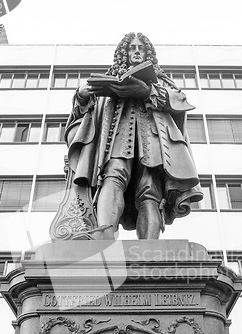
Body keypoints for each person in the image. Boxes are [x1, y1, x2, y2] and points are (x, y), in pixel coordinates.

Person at [66, 32, 202, 240]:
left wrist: (147, 91)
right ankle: (104, 234)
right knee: (113, 177)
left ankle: (149, 245)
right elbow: (86, 110)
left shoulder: (160, 80)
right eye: (132, 48)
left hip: (154, 140)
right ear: (124, 53)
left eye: (141, 48)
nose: (137, 51)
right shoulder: (110, 76)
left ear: (148, 54)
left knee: (150, 190)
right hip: (116, 138)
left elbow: (180, 100)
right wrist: (82, 95)